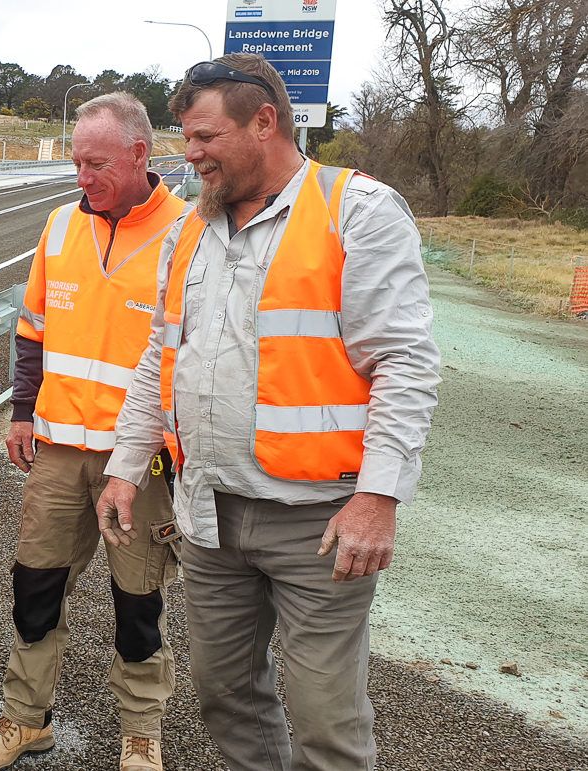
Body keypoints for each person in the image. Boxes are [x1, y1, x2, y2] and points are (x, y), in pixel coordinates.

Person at [97, 53, 441, 771]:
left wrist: (377, 497)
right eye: (185, 138)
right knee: (223, 692)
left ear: (265, 122)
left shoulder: (357, 212)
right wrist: (126, 468)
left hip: (317, 520)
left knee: (325, 717)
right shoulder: (190, 231)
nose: (189, 155)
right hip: (209, 511)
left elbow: (404, 365)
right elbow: (159, 362)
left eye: (205, 138)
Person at [0, 92, 189, 771]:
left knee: (138, 597)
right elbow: (31, 330)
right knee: (35, 586)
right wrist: (23, 410)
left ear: (140, 155)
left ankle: (141, 729)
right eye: (76, 162)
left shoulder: (187, 233)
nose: (81, 177)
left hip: (138, 457)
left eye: (95, 163)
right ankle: (26, 717)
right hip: (59, 447)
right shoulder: (61, 226)